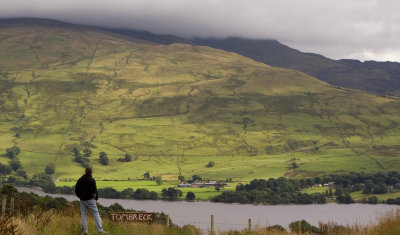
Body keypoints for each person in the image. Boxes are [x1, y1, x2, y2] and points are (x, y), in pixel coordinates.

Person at [75, 167, 107, 234]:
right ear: (91, 172)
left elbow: (76, 191)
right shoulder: (92, 180)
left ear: (85, 171)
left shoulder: (80, 180)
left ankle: (85, 231)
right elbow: (94, 192)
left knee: (83, 215)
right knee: (96, 214)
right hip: (90, 200)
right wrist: (96, 198)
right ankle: (100, 231)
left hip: (82, 200)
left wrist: (80, 197)